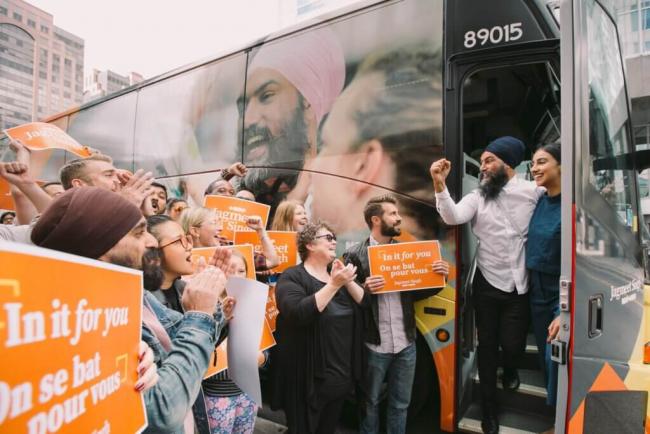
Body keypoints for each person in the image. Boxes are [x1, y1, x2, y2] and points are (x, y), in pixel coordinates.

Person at [31, 186, 229, 434]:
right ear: (101, 246)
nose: (151, 241)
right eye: (138, 233)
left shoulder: (134, 295)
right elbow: (163, 409)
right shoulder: (74, 324)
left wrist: (207, 299)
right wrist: (199, 316)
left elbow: (181, 329)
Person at [430, 136, 543, 434]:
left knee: (514, 344)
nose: (483, 168)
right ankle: (489, 412)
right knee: (488, 347)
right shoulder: (478, 196)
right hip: (487, 283)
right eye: (481, 163)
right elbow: (452, 215)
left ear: (508, 163)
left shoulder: (534, 193)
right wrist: (439, 184)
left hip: (520, 284)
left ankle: (511, 367)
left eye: (489, 161)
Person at [310, 46, 445, 243]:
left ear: (363, 164)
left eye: (325, 145)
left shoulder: (346, 263)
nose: (312, 167)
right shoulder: (441, 265)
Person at [343, 195, 448, 434]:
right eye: (393, 214)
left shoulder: (405, 253)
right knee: (368, 403)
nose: (399, 218)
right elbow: (349, 305)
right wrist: (365, 289)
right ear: (376, 219)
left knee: (401, 404)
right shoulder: (355, 255)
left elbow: (419, 292)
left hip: (405, 345)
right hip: (373, 347)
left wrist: (440, 277)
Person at [271, 221, 366, 434]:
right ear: (310, 245)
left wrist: (347, 281)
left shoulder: (337, 276)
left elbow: (365, 304)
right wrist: (333, 285)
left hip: (340, 378)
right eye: (328, 238)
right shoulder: (292, 276)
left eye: (334, 237)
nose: (334, 241)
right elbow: (297, 312)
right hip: (307, 380)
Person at [235, 29, 346, 208]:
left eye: (267, 96)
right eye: (243, 107)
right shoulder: (240, 194)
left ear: (307, 102)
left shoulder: (335, 199)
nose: (248, 120)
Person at [527, 142, 561, 408]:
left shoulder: (572, 206)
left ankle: (557, 420)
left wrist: (565, 312)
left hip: (559, 291)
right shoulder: (538, 199)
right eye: (533, 163)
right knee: (543, 356)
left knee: (554, 356)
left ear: (560, 165)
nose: (534, 168)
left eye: (541, 162)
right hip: (535, 289)